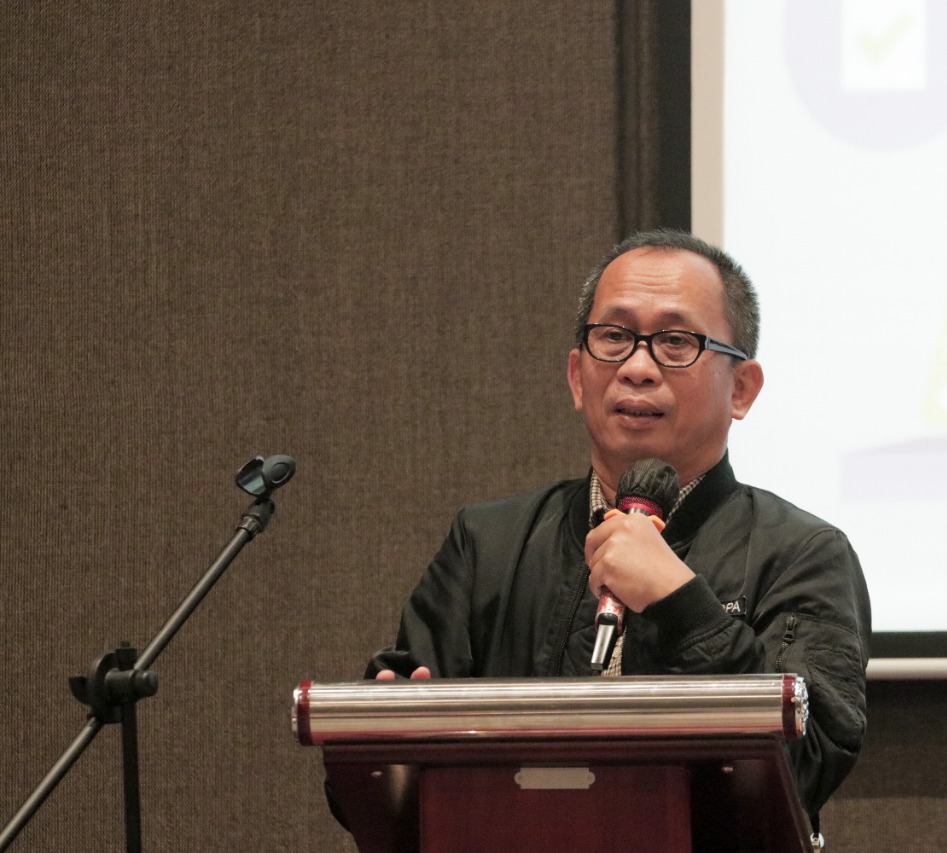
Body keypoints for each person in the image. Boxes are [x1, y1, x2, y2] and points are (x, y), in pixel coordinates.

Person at [366, 229, 871, 820]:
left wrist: (683, 605)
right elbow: (375, 795)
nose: (637, 367)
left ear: (741, 388)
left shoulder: (803, 553)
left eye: (676, 342)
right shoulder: (486, 545)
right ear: (577, 377)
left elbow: (808, 765)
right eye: (614, 337)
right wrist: (386, 740)